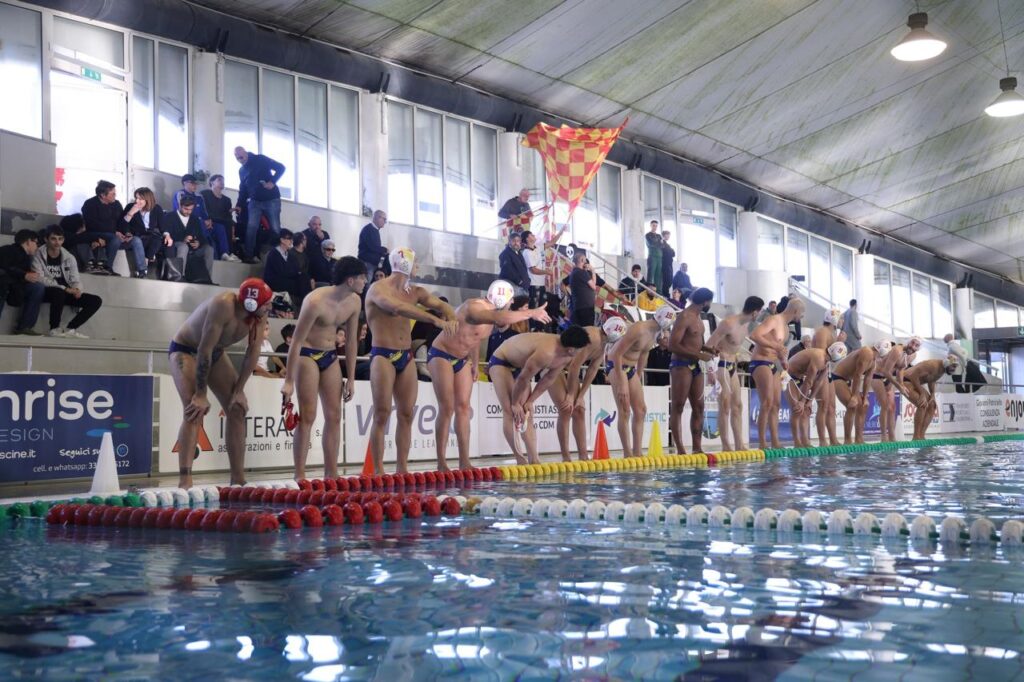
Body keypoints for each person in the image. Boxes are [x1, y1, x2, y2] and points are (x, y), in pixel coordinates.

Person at [427, 280, 551, 471]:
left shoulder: (491, 315)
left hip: (462, 360)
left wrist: (475, 363)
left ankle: (464, 461)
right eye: (510, 300)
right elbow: (500, 317)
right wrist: (531, 312)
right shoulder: (474, 307)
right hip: (441, 354)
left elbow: (475, 338)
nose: (511, 304)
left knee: (463, 408)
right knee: (447, 407)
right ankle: (441, 462)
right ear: (502, 299)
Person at [168, 278, 273, 488]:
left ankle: (238, 480)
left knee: (237, 408)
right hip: (186, 349)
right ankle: (185, 481)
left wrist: (239, 390)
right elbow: (203, 350)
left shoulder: (259, 315)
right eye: (267, 303)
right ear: (251, 303)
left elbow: (253, 352)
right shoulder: (223, 304)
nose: (270, 307)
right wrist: (200, 394)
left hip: (214, 352)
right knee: (194, 410)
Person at [365, 248, 457, 474]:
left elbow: (443, 305)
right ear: (405, 264)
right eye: (415, 263)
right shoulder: (378, 289)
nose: (418, 267)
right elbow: (398, 308)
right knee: (381, 414)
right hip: (382, 355)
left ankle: (402, 469)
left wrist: (451, 317)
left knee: (406, 414)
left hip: (406, 356)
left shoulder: (416, 291)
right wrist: (435, 321)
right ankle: (378, 470)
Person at [281, 257, 366, 481]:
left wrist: (351, 377)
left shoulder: (355, 302)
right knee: (307, 416)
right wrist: (289, 380)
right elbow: (296, 341)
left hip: (330, 356)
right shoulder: (315, 301)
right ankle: (299, 475)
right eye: (362, 277)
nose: (365, 282)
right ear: (350, 280)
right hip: (307, 354)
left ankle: (332, 474)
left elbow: (352, 341)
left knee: (334, 416)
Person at [487, 327, 591, 464]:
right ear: (572, 349)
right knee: (510, 411)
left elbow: (549, 379)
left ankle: (534, 459)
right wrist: (515, 403)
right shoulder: (546, 352)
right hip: (501, 361)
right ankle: (520, 458)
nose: (582, 352)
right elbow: (523, 379)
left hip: (520, 365)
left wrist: (530, 401)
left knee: (527, 412)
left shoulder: (566, 355)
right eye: (580, 349)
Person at [548, 318, 627, 461]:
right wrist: (571, 394)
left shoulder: (604, 343)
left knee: (579, 410)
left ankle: (583, 456)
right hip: (553, 365)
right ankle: (566, 457)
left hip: (567, 368)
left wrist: (580, 396)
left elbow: (593, 369)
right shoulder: (593, 338)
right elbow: (574, 366)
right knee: (566, 409)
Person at [609, 308, 674, 457]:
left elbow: (644, 354)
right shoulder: (638, 329)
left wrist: (638, 376)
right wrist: (622, 382)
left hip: (631, 370)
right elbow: (615, 354)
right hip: (617, 366)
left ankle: (637, 452)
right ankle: (627, 453)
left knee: (641, 410)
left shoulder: (654, 333)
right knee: (624, 411)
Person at [705, 295, 764, 451]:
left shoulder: (745, 326)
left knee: (737, 406)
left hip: (733, 367)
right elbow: (708, 346)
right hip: (721, 366)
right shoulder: (728, 324)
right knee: (724, 405)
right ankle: (725, 445)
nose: (759, 315)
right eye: (759, 312)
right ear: (755, 312)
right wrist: (710, 370)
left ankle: (739, 444)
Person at [749, 295, 805, 449]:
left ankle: (775, 442)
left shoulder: (786, 329)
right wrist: (776, 347)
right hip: (760, 362)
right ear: (795, 311)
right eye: (801, 314)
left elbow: (779, 350)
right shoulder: (774, 320)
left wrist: (783, 361)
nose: (801, 317)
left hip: (773, 364)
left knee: (776, 404)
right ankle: (762, 443)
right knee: (767, 402)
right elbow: (754, 335)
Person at [31, 225, 103, 339]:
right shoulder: (38, 254)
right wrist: (64, 288)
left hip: (66, 292)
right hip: (46, 291)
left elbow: (75, 279)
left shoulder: (69, 257)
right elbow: (40, 278)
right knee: (58, 292)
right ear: (46, 239)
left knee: (95, 300)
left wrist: (77, 289)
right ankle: (54, 329)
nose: (57, 242)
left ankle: (70, 329)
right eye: (53, 239)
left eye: (60, 239)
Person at [668, 289, 715, 454]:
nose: (710, 305)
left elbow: (696, 342)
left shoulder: (698, 318)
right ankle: (680, 449)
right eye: (710, 301)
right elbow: (672, 345)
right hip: (681, 365)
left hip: (696, 366)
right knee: (678, 406)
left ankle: (697, 448)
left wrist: (708, 349)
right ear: (705, 301)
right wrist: (699, 355)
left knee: (699, 407)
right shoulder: (685, 316)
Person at [234, 146, 285, 263]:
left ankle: (280, 255)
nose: (240, 160)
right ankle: (249, 255)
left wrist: (272, 182)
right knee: (251, 227)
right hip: (254, 201)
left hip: (271, 199)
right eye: (237, 158)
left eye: (241, 157)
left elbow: (281, 167)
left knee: (275, 227)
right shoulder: (242, 171)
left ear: (245, 153)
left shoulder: (260, 159)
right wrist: (239, 205)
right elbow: (243, 189)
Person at [831, 343, 885, 444]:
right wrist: (855, 396)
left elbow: (867, 379)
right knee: (852, 405)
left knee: (864, 406)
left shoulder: (873, 362)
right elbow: (857, 375)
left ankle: (859, 439)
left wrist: (865, 397)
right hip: (838, 377)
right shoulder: (867, 352)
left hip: (848, 380)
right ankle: (847, 440)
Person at [172, 174, 228, 261]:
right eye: (192, 183)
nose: (195, 186)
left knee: (220, 227)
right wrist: (201, 220)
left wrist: (208, 220)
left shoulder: (199, 196)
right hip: (188, 224)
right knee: (204, 230)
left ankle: (225, 254)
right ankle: (214, 258)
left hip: (202, 223)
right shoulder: (180, 194)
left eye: (196, 184)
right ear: (185, 183)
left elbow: (204, 212)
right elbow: (181, 212)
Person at [812, 308, 847, 447]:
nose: (843, 321)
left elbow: (831, 356)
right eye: (841, 318)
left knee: (831, 407)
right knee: (823, 406)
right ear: (834, 319)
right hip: (819, 372)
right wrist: (838, 342)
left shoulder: (831, 333)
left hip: (828, 372)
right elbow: (820, 357)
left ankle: (833, 439)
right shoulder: (822, 332)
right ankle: (822, 440)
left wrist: (838, 342)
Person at [0, 229, 45, 335]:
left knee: (37, 287)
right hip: (3, 284)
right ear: (28, 241)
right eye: (36, 243)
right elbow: (4, 267)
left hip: (15, 287)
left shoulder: (27, 258)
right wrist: (24, 275)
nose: (37, 247)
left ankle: (25, 327)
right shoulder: (7, 250)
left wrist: (30, 276)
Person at [903, 356, 959, 440]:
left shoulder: (942, 370)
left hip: (915, 383)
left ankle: (921, 436)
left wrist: (932, 394)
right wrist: (922, 393)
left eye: (955, 367)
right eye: (953, 366)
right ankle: (916, 437)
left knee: (932, 405)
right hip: (906, 380)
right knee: (922, 404)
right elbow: (913, 376)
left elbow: (932, 380)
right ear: (947, 363)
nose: (954, 369)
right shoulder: (932, 365)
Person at [785, 347, 830, 448]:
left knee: (805, 410)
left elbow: (818, 382)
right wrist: (802, 401)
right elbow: (809, 381)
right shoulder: (819, 357)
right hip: (788, 375)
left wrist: (809, 400)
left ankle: (805, 441)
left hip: (799, 378)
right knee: (797, 409)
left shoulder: (826, 363)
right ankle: (797, 442)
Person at [163, 195, 214, 282]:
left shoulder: (195, 219)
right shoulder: (170, 216)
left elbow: (201, 236)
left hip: (193, 248)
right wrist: (183, 239)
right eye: (186, 209)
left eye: (191, 209)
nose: (188, 212)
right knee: (183, 246)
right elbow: (167, 233)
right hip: (176, 244)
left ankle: (207, 278)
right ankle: (180, 276)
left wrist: (198, 243)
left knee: (209, 249)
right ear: (180, 205)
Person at [79, 180, 122, 274]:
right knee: (114, 239)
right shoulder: (90, 204)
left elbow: (121, 221)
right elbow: (92, 225)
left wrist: (124, 232)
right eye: (113, 194)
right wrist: (114, 231)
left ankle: (107, 267)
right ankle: (107, 267)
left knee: (132, 240)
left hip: (111, 233)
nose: (115, 196)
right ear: (103, 195)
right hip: (94, 232)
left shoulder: (116, 204)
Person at [120, 187, 165, 278]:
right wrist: (130, 213)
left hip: (151, 235)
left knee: (157, 239)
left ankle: (147, 258)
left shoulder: (156, 208)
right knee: (141, 240)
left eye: (140, 199)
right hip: (136, 235)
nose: (137, 201)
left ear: (147, 200)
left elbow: (162, 227)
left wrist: (167, 234)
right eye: (136, 198)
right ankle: (144, 267)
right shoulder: (130, 206)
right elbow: (122, 225)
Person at [200, 174, 241, 262]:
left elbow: (228, 216)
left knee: (232, 224)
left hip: (222, 221)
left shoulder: (227, 200)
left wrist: (231, 214)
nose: (222, 182)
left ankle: (227, 253)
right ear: (212, 182)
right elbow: (202, 210)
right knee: (225, 224)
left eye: (223, 180)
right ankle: (227, 253)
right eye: (219, 180)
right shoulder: (205, 194)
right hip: (210, 219)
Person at [262, 230, 303, 308]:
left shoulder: (290, 255)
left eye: (292, 239)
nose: (291, 241)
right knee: (301, 283)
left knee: (304, 278)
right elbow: (282, 271)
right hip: (275, 282)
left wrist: (297, 273)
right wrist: (295, 273)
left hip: (286, 280)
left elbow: (296, 269)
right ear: (282, 240)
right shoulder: (273, 253)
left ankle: (305, 305)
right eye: (289, 239)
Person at [568, 252, 607, 327]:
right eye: (585, 260)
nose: (586, 262)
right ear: (582, 260)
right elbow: (594, 286)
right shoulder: (582, 272)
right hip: (586, 307)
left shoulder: (573, 273)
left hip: (578, 307)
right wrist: (592, 270)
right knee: (588, 329)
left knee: (580, 329)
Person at [358, 210, 388, 282]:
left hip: (372, 263)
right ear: (377, 218)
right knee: (367, 284)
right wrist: (385, 250)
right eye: (384, 219)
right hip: (367, 263)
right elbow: (372, 247)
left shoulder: (375, 230)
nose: (385, 222)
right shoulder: (368, 229)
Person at [645, 221, 663, 294]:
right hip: (652, 256)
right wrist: (659, 243)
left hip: (659, 257)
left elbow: (663, 245)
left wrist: (659, 243)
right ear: (650, 225)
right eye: (653, 225)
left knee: (658, 276)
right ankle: (648, 293)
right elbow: (651, 243)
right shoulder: (647, 235)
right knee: (650, 275)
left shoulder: (659, 235)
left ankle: (658, 293)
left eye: (656, 226)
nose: (655, 227)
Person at [660, 231, 675, 296]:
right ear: (664, 235)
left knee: (670, 280)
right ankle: (665, 294)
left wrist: (671, 251)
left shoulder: (668, 245)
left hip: (669, 264)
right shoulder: (662, 243)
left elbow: (673, 254)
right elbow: (668, 252)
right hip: (665, 264)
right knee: (667, 280)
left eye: (669, 235)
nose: (668, 236)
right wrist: (671, 251)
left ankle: (666, 294)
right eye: (667, 235)